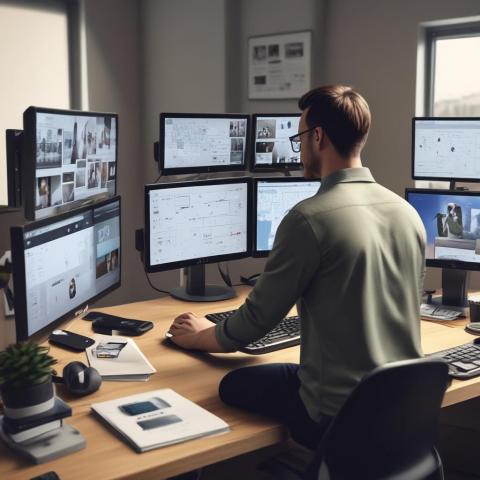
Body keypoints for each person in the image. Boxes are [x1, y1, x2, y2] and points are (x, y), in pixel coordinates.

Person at [167, 85, 426, 450]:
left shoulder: (309, 218)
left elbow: (256, 321)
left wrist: (198, 336)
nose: (299, 147)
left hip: (335, 414)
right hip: (399, 405)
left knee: (229, 385)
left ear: (318, 137)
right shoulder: (407, 213)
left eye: (300, 136)